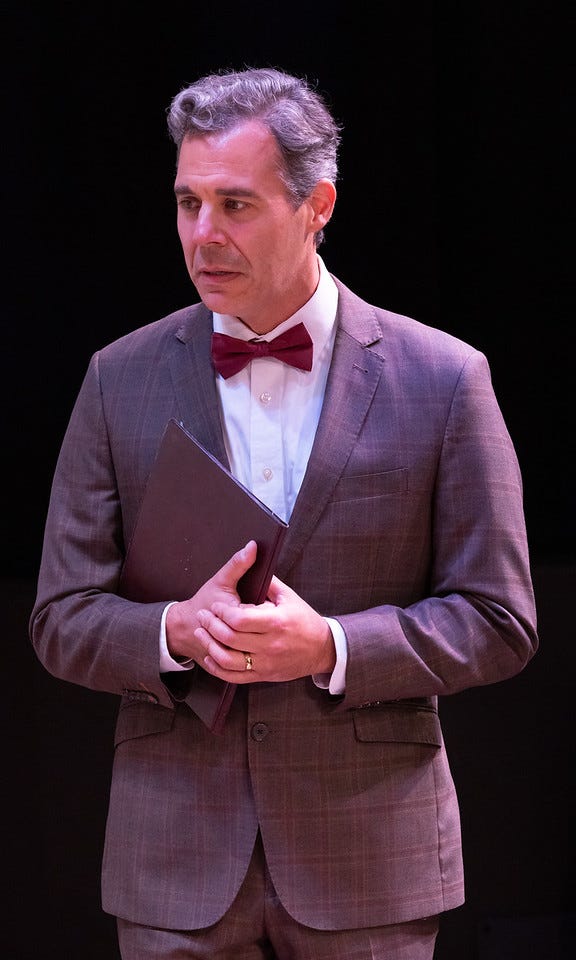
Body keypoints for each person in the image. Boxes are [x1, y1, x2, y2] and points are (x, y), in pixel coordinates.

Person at [30, 66, 538, 960]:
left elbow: (498, 619)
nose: (202, 235)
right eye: (187, 203)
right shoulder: (120, 377)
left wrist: (333, 647)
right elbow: (61, 617)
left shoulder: (446, 379)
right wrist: (174, 634)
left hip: (368, 854)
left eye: (236, 204)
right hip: (173, 858)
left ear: (318, 205)